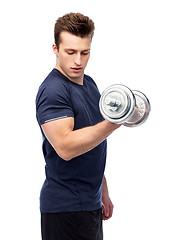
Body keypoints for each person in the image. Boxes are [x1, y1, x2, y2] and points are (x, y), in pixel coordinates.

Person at [36, 12, 122, 240]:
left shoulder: (90, 84)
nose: (78, 61)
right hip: (64, 209)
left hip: (89, 204)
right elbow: (65, 147)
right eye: (70, 52)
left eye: (85, 53)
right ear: (55, 48)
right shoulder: (54, 90)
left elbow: (93, 139)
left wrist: (102, 189)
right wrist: (113, 123)